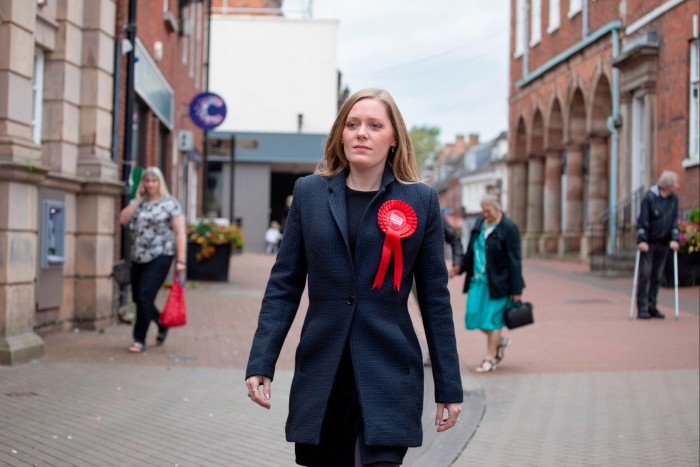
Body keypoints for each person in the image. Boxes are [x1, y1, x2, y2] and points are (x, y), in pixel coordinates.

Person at [245, 88, 463, 466]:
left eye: (375, 125)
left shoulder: (421, 201)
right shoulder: (309, 194)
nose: (361, 132)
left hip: (389, 370)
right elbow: (284, 285)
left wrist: (449, 386)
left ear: (394, 138)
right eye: (353, 124)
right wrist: (261, 361)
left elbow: (435, 301)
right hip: (323, 371)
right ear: (340, 135)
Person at [451, 194, 524, 373]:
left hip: (500, 283)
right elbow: (470, 251)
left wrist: (516, 288)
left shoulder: (509, 228)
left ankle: (490, 358)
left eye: (488, 211)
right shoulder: (479, 225)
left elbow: (514, 260)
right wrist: (458, 268)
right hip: (478, 280)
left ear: (497, 209)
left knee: (492, 320)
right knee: (473, 316)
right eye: (483, 211)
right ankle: (499, 341)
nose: (485, 215)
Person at [118, 166, 186, 353]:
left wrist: (181, 260)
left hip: (160, 255)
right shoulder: (139, 203)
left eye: (153, 181)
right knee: (138, 298)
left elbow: (180, 232)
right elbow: (123, 220)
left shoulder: (170, 203)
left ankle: (139, 340)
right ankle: (162, 323)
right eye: (147, 181)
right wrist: (138, 198)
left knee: (145, 296)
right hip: (138, 256)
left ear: (159, 183)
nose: (150, 185)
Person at [635, 170, 680, 320]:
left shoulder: (673, 200)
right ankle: (642, 306)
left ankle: (652, 305)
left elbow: (674, 221)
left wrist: (674, 238)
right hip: (649, 243)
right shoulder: (649, 198)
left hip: (663, 242)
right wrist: (642, 240)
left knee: (657, 276)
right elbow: (643, 220)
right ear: (667, 185)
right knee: (645, 274)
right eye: (675, 183)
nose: (678, 186)